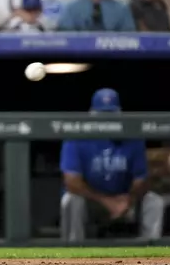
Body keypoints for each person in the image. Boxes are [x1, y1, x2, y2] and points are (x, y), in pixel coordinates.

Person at [60, 88, 164, 242]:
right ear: (91, 115)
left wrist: (128, 199)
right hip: (93, 202)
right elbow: (71, 182)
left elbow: (141, 179)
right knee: (71, 200)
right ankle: (74, 251)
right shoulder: (76, 137)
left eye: (111, 115)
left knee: (154, 201)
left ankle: (149, 252)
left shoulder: (133, 137)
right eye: (102, 115)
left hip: (125, 199)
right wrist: (106, 201)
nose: (106, 121)